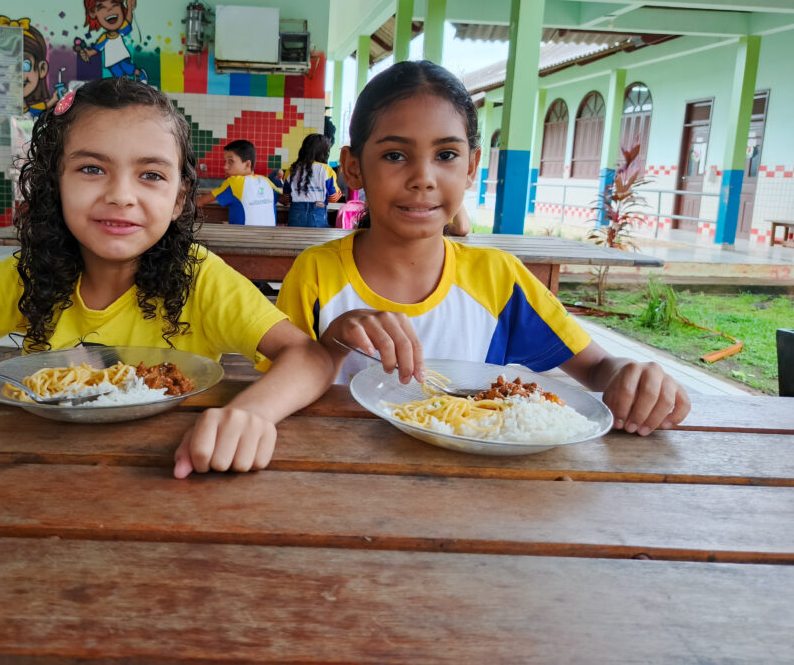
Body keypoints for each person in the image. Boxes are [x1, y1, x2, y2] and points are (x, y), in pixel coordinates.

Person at [0, 79, 333, 476]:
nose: (121, 196)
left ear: (178, 198)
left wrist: (250, 412)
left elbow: (309, 357)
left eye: (150, 175)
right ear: (55, 183)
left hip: (176, 476)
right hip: (38, 475)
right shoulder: (25, 276)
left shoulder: (201, 279)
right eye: (91, 168)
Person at [275, 60, 689, 436]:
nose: (423, 177)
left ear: (472, 166)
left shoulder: (497, 278)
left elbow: (597, 368)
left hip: (474, 493)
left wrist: (631, 375)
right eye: (395, 154)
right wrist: (330, 343)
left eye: (446, 154)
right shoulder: (316, 274)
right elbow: (275, 383)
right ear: (352, 167)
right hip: (339, 481)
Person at [195, 139, 280, 226]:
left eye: (230, 161)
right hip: (270, 237)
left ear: (247, 164)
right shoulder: (267, 182)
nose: (225, 167)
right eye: (225, 162)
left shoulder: (234, 183)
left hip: (243, 238)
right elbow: (282, 198)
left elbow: (200, 202)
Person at [75, 0, 147, 82]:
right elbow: (97, 49)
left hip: (122, 57)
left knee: (129, 69)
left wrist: (130, 8)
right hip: (111, 62)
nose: (109, 9)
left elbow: (127, 22)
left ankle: (140, 74)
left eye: (114, 4)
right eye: (102, 7)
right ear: (93, 13)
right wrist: (88, 53)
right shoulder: (104, 38)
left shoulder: (120, 31)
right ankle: (124, 87)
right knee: (118, 76)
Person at [282, 133, 340, 227]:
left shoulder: (291, 170)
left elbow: (286, 197)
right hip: (318, 212)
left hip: (295, 215)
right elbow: (333, 198)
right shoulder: (327, 170)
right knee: (319, 241)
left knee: (295, 240)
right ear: (324, 152)